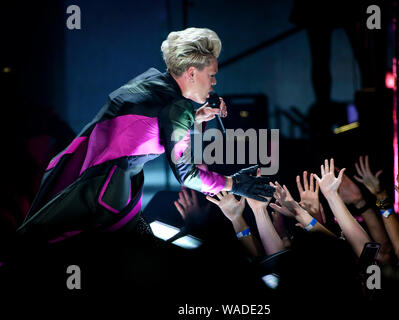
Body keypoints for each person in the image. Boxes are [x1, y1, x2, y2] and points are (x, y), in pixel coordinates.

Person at [16, 27, 273, 243]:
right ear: (192, 73)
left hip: (93, 179)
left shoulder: (152, 82)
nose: (214, 83)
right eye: (212, 76)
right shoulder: (178, 109)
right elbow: (188, 175)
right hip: (105, 195)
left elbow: (151, 123)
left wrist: (196, 118)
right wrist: (236, 184)